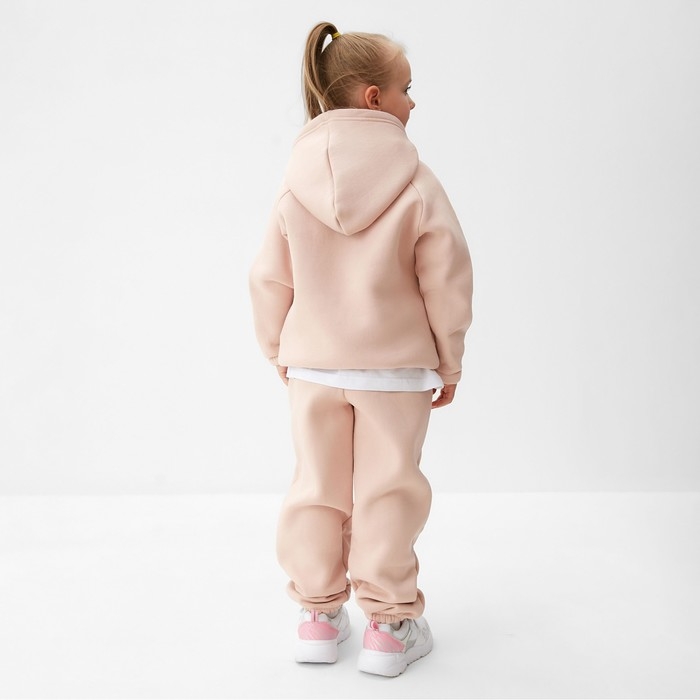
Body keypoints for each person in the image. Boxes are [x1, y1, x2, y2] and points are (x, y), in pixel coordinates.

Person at [249, 20, 473, 677]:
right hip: (395, 372)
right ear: (374, 98)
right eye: (406, 88)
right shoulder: (416, 181)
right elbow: (446, 278)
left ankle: (317, 618)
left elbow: (269, 278)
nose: (413, 101)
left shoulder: (294, 181)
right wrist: (448, 358)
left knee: (317, 487)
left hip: (313, 367)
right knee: (387, 491)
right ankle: (389, 627)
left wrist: (281, 351)